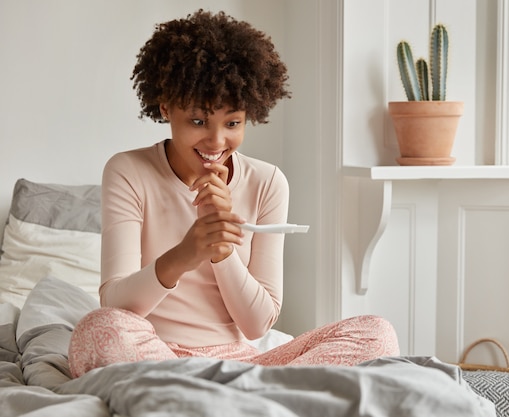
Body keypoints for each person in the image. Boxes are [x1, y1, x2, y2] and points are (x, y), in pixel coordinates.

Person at [68, 9, 399, 378]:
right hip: (153, 352)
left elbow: (258, 325)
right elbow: (115, 304)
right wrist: (188, 252)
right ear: (165, 106)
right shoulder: (129, 171)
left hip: (244, 363)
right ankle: (246, 397)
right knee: (98, 332)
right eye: (198, 121)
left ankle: (215, 394)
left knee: (376, 335)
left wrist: (223, 252)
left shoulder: (267, 182)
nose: (216, 140)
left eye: (233, 123)